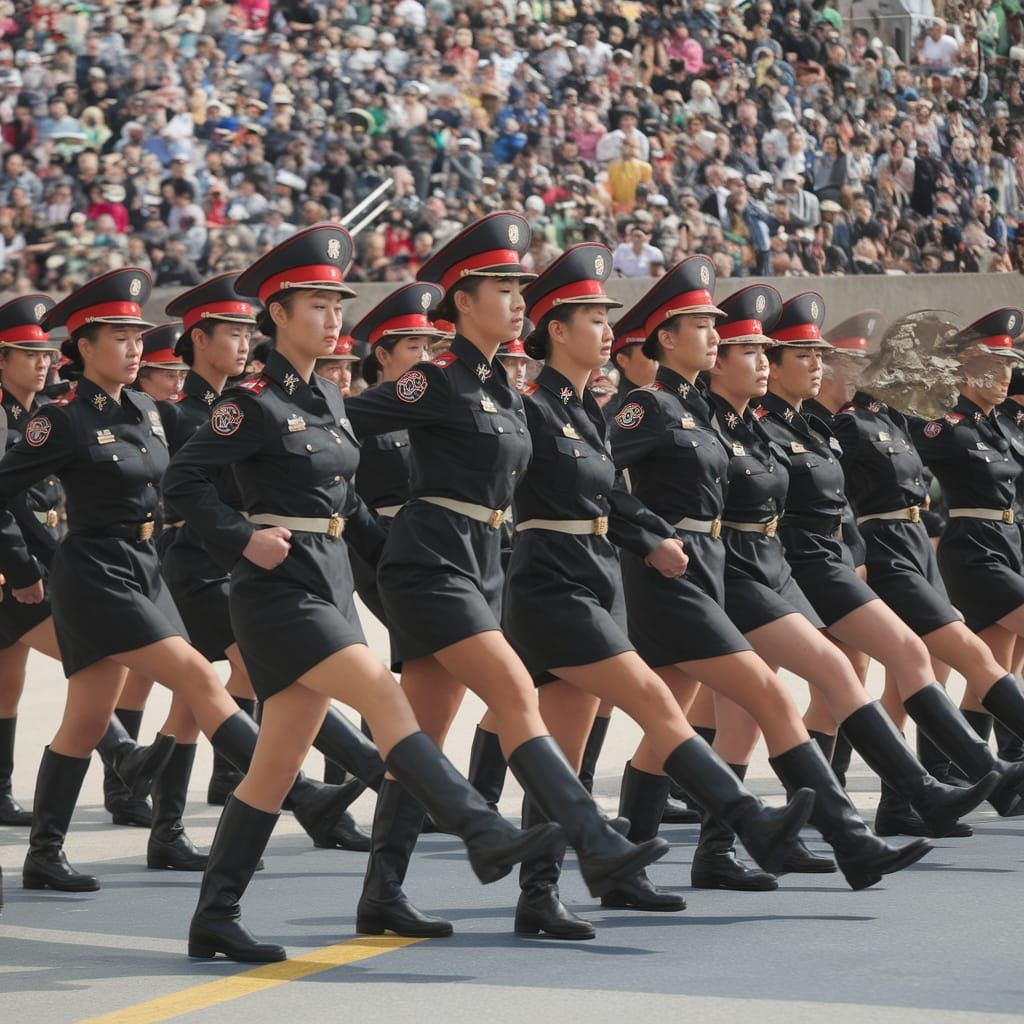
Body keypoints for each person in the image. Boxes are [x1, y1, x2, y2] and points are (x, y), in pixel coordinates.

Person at [163, 224, 564, 963]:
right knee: (383, 694)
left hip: (332, 581)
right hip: (277, 590)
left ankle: (214, 915)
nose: (332, 315)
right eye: (315, 303)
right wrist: (239, 536)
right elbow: (182, 481)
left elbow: (346, 509)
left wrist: (397, 567)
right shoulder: (248, 403)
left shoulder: (331, 399)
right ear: (276, 314)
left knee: (275, 765)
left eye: (336, 303)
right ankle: (482, 828)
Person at [344, 212, 668, 938]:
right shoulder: (434, 381)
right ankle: (598, 843)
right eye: (503, 287)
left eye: (523, 287)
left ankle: (382, 894)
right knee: (516, 691)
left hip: (482, 563)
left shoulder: (500, 389)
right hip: (430, 562)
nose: (520, 299)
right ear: (461, 300)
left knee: (422, 730)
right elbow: (335, 432)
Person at [0, 269, 358, 896]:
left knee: (86, 719)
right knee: (196, 677)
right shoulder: (59, 420)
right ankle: (299, 792)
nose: (136, 347)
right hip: (93, 571)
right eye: (118, 337)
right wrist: (30, 562)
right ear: (83, 346)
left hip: (148, 567)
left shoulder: (149, 410)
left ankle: (57, 850)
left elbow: (187, 484)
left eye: (138, 336)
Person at [503, 243, 812, 939]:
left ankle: (548, 891)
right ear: (556, 329)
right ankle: (747, 819)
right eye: (593, 317)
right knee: (649, 700)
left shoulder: (586, 410)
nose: (610, 330)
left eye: (609, 317)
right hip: (548, 581)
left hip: (591, 578)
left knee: (566, 750)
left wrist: (650, 540)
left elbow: (613, 498)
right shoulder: (528, 408)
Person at [610, 256, 933, 891]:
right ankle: (851, 836)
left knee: (669, 722)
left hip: (711, 569)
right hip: (672, 578)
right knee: (767, 694)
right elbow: (594, 479)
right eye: (704, 327)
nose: (717, 335)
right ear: (667, 339)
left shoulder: (708, 411)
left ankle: (658, 862)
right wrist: (650, 537)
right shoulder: (646, 407)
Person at [754, 293, 1006, 836]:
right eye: (819, 359)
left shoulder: (843, 424)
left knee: (846, 682)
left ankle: (866, 803)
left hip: (863, 553)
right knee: (908, 658)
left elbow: (839, 500)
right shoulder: (822, 425)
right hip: (812, 562)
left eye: (834, 360)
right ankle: (978, 772)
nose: (828, 369)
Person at [833, 318, 1024, 815]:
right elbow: (832, 496)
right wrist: (851, 553)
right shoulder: (853, 424)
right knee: (961, 656)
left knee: (917, 670)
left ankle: (902, 801)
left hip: (920, 544)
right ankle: (986, 773)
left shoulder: (898, 422)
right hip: (886, 548)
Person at [911, 310, 1024, 769]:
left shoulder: (999, 426)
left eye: (1007, 365)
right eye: (992, 365)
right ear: (966, 368)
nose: (1004, 375)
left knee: (993, 667)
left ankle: (953, 767)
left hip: (1008, 541)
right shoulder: (944, 425)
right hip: (973, 549)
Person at [0, 295, 64, 828]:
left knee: (8, 678)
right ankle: (124, 759)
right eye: (28, 354)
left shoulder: (40, 414)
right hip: (13, 570)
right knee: (84, 655)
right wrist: (23, 571)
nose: (42, 363)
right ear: (2, 360)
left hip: (34, 561)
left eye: (45, 355)